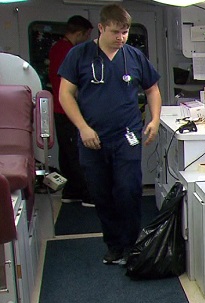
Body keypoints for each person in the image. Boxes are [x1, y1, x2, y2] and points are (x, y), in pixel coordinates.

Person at [57, 4, 161, 265]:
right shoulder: (79, 55)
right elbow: (65, 94)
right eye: (115, 32)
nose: (121, 38)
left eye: (125, 32)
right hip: (92, 138)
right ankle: (114, 245)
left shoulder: (134, 56)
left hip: (127, 136)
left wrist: (155, 120)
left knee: (128, 190)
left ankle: (130, 244)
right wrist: (83, 127)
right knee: (101, 194)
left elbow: (152, 89)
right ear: (101, 28)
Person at [48, 15, 94, 207]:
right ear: (79, 33)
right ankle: (87, 194)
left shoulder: (56, 49)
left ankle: (71, 191)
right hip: (67, 109)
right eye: (87, 35)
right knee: (77, 154)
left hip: (59, 110)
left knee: (67, 154)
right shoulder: (70, 52)